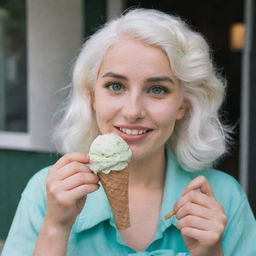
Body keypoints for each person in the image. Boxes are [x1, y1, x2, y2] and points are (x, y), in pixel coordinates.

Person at [2, 8, 256, 256]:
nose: (133, 111)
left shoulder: (224, 196)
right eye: (115, 86)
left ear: (183, 105)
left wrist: (211, 254)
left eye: (157, 89)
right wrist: (56, 227)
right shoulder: (46, 191)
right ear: (91, 96)